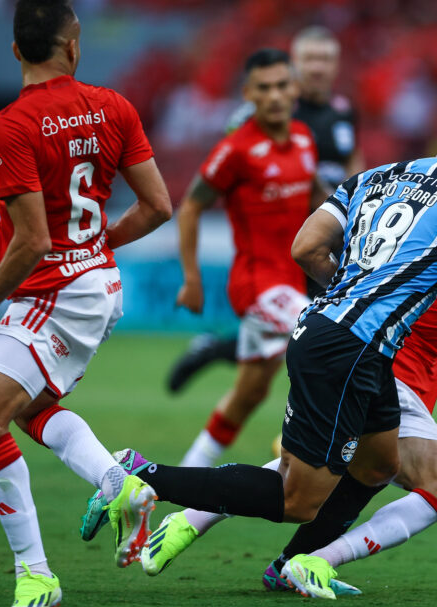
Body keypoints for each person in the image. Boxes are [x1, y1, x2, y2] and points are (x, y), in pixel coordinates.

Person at [98, 152, 437, 596]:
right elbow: (332, 258)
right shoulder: (429, 243)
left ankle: (226, 533)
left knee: (364, 467)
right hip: (375, 369)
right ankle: (289, 551)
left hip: (369, 374)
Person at [81, 102, 437, 598]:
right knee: (298, 498)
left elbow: (305, 247)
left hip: (340, 338)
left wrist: (352, 293)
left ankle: (295, 565)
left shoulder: (374, 177)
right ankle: (140, 472)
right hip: (351, 350)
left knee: (379, 464)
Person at [0, 0, 171, 607]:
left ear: (16, 51)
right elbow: (157, 206)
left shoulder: (10, 126)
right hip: (97, 285)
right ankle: (117, 483)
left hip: (54, 293)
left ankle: (36, 574)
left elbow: (32, 242)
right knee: (30, 412)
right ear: (73, 47)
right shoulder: (115, 106)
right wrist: (99, 245)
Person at [167, 25, 362, 392]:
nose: (318, 68)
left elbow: (353, 165)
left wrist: (357, 216)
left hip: (329, 236)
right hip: (285, 244)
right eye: (310, 59)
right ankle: (312, 431)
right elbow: (235, 168)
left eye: (326, 59)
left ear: (336, 66)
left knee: (284, 352)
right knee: (321, 337)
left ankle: (218, 349)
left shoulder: (343, 112)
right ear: (296, 67)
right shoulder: (266, 115)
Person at [172, 48, 328, 469]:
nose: (275, 95)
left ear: (295, 89)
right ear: (248, 93)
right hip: (256, 286)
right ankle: (305, 444)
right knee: (330, 339)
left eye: (282, 85)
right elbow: (190, 206)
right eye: (265, 88)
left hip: (291, 284)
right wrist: (191, 278)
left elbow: (318, 197)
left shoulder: (303, 140)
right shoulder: (235, 150)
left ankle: (180, 480)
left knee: (249, 394)